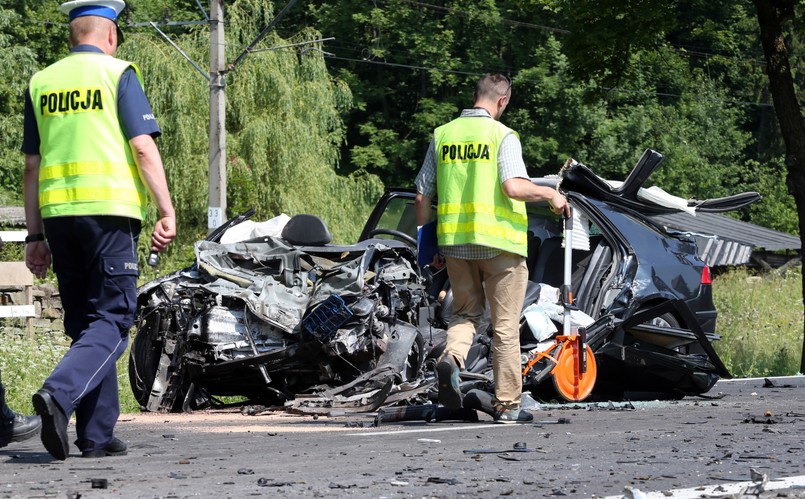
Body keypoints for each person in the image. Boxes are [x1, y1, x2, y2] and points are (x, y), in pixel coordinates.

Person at [21, 0, 176, 460]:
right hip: (109, 213)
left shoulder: (42, 81)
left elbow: (32, 166)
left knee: (88, 323)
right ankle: (59, 393)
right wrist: (165, 210)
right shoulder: (118, 72)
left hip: (58, 216)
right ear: (110, 35)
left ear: (72, 35)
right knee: (114, 318)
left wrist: (34, 236)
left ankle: (96, 435)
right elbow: (143, 148)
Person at [414, 73, 570, 424]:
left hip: (455, 244)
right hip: (500, 245)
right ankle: (507, 405)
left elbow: (422, 197)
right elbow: (514, 187)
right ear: (503, 101)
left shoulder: (443, 134)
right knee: (504, 327)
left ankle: (451, 358)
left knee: (464, 315)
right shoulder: (503, 135)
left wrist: (429, 246)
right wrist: (550, 194)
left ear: (475, 96)